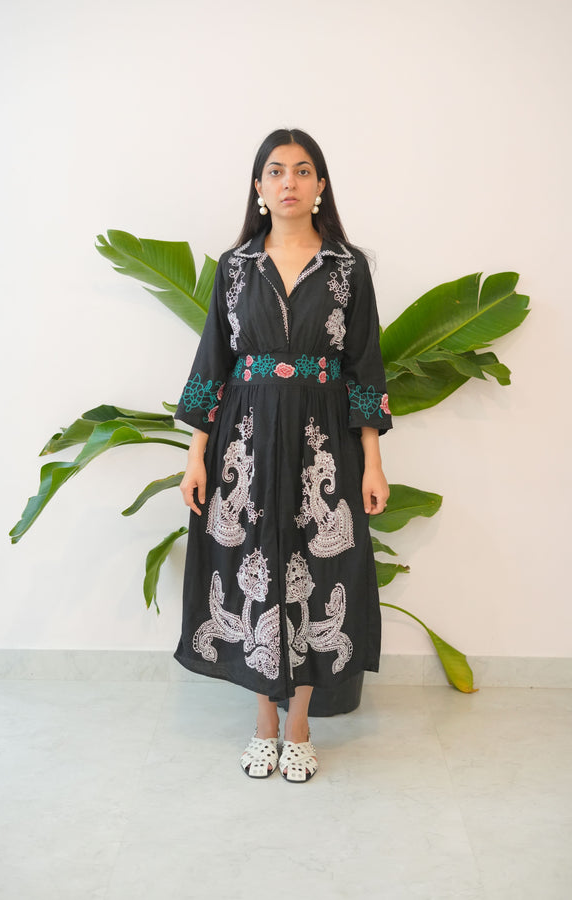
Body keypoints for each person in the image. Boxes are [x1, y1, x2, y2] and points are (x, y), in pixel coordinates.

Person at [175, 128, 392, 782]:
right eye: (276, 171)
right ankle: (263, 724)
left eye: (303, 170)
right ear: (259, 186)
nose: (289, 181)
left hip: (323, 440)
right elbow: (212, 361)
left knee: (320, 571)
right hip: (245, 437)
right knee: (250, 563)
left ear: (320, 184)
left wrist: (373, 460)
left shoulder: (348, 268)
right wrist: (197, 456)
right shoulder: (235, 268)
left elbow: (363, 368)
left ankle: (298, 723)